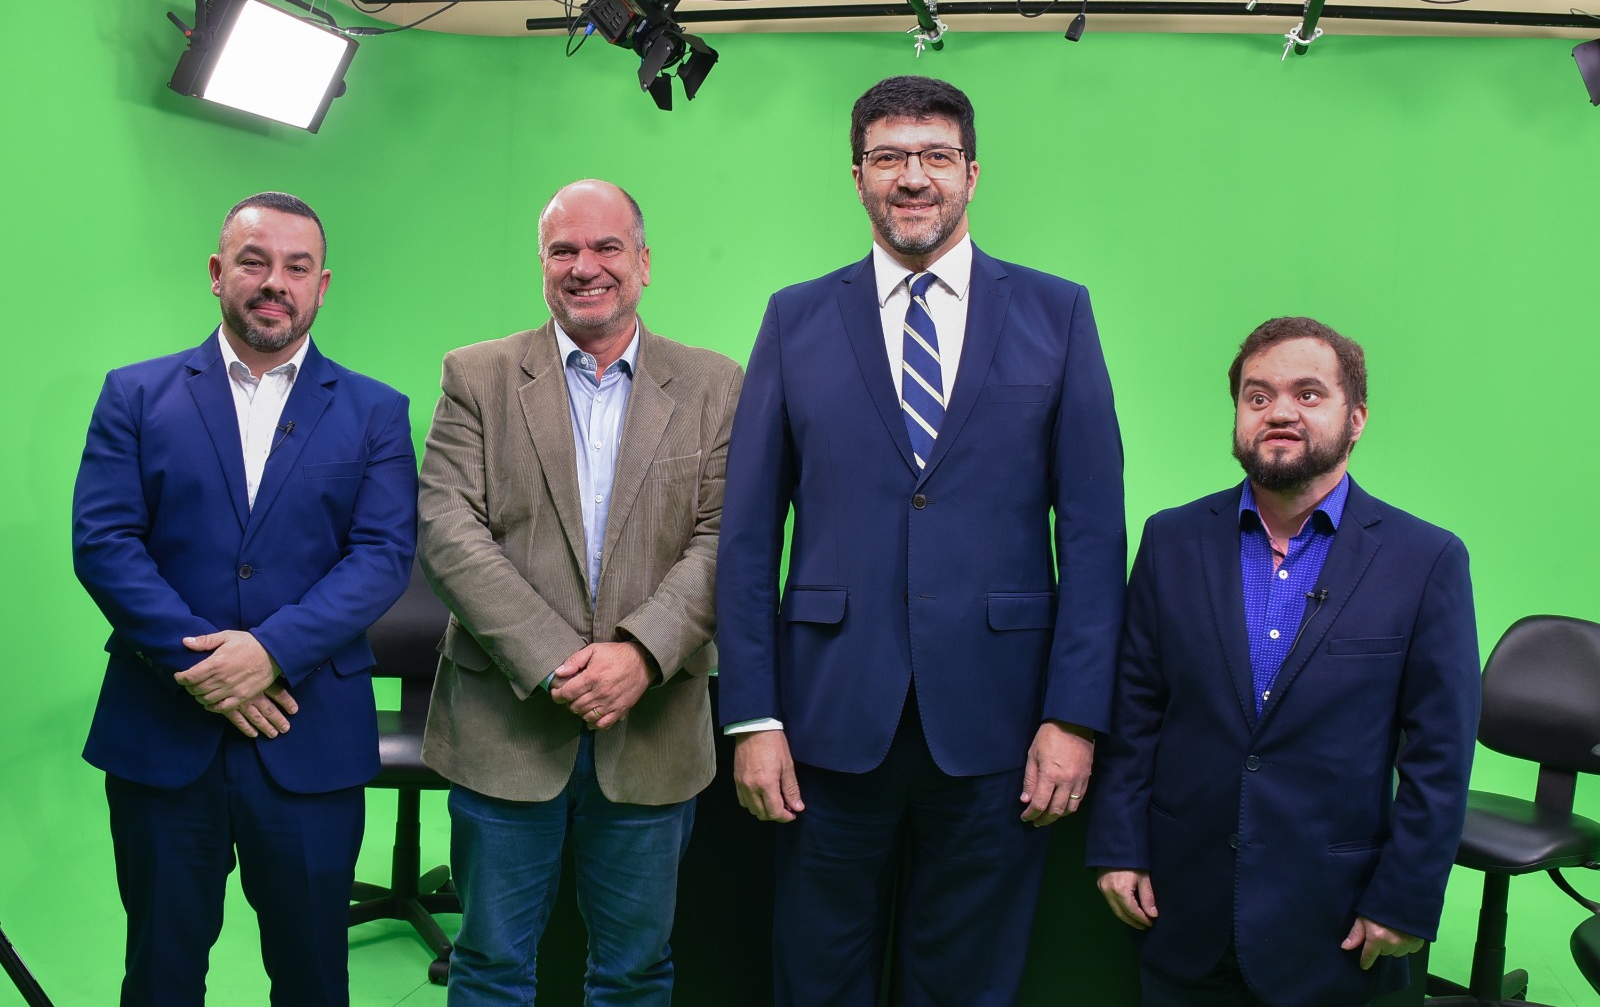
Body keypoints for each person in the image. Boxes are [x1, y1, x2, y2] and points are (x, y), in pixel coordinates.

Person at [716, 75, 1127, 1005]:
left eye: (935, 156)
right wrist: (753, 717)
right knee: (817, 975)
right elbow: (746, 537)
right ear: (856, 176)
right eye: (890, 157)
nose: (913, 177)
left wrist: (1074, 716)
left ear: (972, 174)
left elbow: (1096, 537)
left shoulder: (1057, 315)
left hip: (1000, 722)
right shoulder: (795, 317)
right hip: (825, 720)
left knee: (967, 981)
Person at [71, 191, 419, 1006]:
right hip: (162, 731)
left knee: (311, 976)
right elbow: (104, 544)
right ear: (217, 272)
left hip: (309, 732)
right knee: (159, 970)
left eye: (297, 267)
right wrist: (206, 665)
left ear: (322, 285)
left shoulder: (375, 412)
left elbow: (381, 558)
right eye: (256, 262)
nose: (276, 282)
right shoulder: (136, 395)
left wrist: (267, 655)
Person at [1087, 316, 1480, 1007]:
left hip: (1337, 927)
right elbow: (1136, 709)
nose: (1279, 413)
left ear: (1356, 418)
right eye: (1258, 396)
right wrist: (1119, 846)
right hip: (1181, 909)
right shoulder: (1172, 540)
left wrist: (1408, 897)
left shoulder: (1427, 562)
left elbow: (1439, 756)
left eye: (1308, 394)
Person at [417, 179, 742, 1005]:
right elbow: (448, 531)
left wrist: (639, 654)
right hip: (505, 728)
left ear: (643, 263)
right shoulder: (476, 376)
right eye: (564, 250)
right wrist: (561, 660)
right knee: (489, 966)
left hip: (654, 725)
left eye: (605, 248)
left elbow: (724, 538)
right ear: (542, 263)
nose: (584, 267)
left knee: (634, 972)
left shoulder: (714, 385)